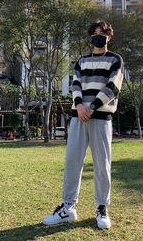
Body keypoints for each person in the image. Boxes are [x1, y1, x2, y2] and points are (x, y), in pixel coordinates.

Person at [42, 20, 124, 229]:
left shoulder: (115, 59)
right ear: (90, 37)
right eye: (95, 33)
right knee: (72, 162)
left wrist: (93, 106)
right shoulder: (82, 60)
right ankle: (68, 208)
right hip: (78, 117)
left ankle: (101, 208)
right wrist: (79, 105)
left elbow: (113, 86)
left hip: (100, 117)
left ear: (109, 36)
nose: (98, 36)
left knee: (102, 165)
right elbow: (76, 83)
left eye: (102, 33)